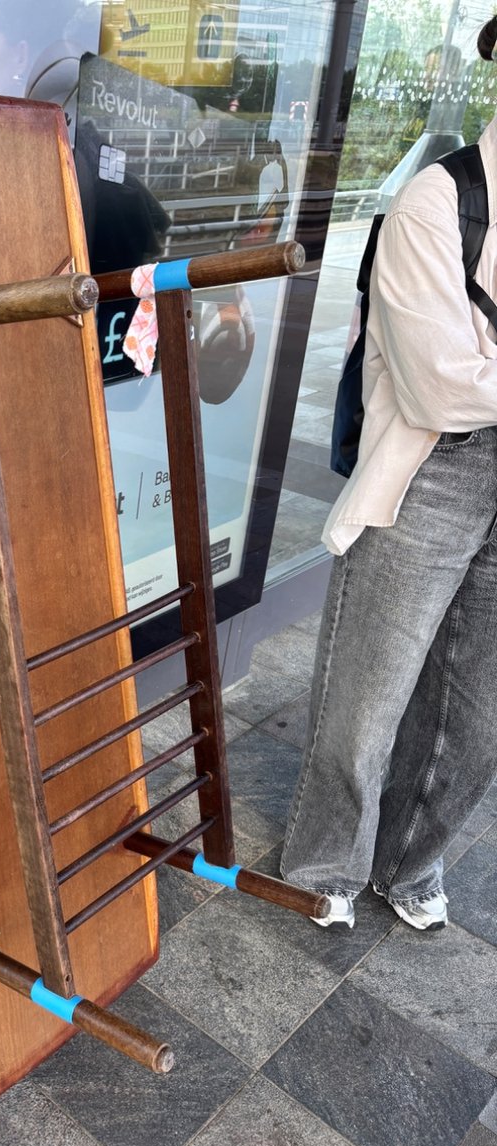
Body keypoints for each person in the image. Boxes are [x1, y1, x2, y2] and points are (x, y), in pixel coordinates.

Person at [279, 19, 497, 932]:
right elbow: (443, 386)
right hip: (434, 470)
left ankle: (411, 862)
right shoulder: (435, 204)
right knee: (370, 687)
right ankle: (326, 860)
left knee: (480, 704)